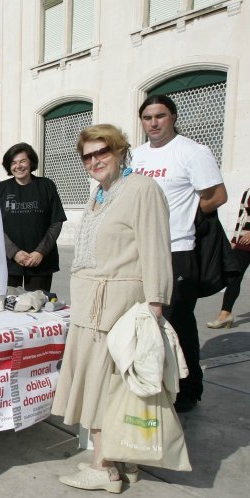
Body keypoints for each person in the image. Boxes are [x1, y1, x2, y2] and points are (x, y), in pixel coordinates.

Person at [52, 124, 172, 493]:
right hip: (91, 307)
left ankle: (103, 466)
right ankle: (127, 459)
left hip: (117, 305)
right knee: (110, 385)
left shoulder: (142, 190)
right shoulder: (100, 195)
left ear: (120, 151)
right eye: (87, 155)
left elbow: (156, 249)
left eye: (102, 152)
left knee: (107, 384)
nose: (94, 160)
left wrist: (155, 305)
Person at [132, 94, 228, 412]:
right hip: (141, 250)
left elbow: (217, 195)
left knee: (177, 323)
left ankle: (188, 389)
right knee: (146, 322)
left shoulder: (192, 151)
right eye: (147, 118)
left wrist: (188, 216)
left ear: (172, 117)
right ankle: (155, 383)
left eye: (160, 116)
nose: (153, 123)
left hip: (177, 249)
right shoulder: (137, 156)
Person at [0, 142, 66, 292]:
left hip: (41, 262)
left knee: (36, 308)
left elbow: (56, 222)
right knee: (7, 308)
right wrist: (13, 252)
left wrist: (40, 252)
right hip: (8, 262)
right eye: (13, 162)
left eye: (23, 161)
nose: (18, 166)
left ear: (31, 162)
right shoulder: (0, 189)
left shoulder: (47, 186)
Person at [208, 188, 250, 329]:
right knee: (234, 277)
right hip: (243, 243)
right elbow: (242, 215)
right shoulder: (248, 191)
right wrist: (235, 238)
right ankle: (225, 315)